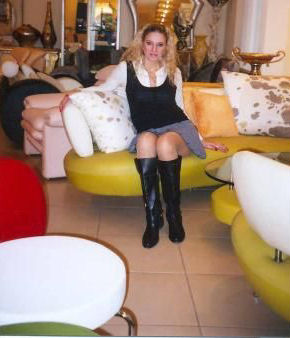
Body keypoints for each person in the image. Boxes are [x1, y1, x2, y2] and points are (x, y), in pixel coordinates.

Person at [59, 23, 228, 249]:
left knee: (165, 143)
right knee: (145, 140)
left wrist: (200, 138)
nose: (154, 50)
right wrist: (73, 94)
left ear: (166, 47)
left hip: (177, 129)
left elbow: (180, 107)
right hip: (148, 130)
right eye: (149, 43)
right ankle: (153, 217)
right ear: (142, 43)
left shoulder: (174, 72)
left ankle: (174, 216)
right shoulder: (126, 69)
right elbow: (104, 89)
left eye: (160, 45)